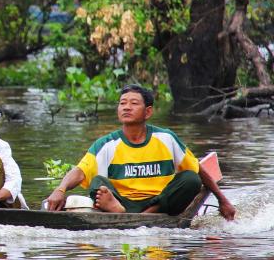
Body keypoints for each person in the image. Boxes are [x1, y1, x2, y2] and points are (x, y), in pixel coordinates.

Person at [45, 84, 236, 221]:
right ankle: (121, 212)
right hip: (121, 202)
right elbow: (80, 171)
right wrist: (60, 189)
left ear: (148, 112)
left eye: (134, 103)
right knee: (97, 182)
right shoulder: (107, 143)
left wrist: (223, 200)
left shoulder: (166, 138)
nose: (126, 107)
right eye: (122, 103)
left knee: (191, 179)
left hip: (160, 202)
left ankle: (142, 217)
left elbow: (199, 170)